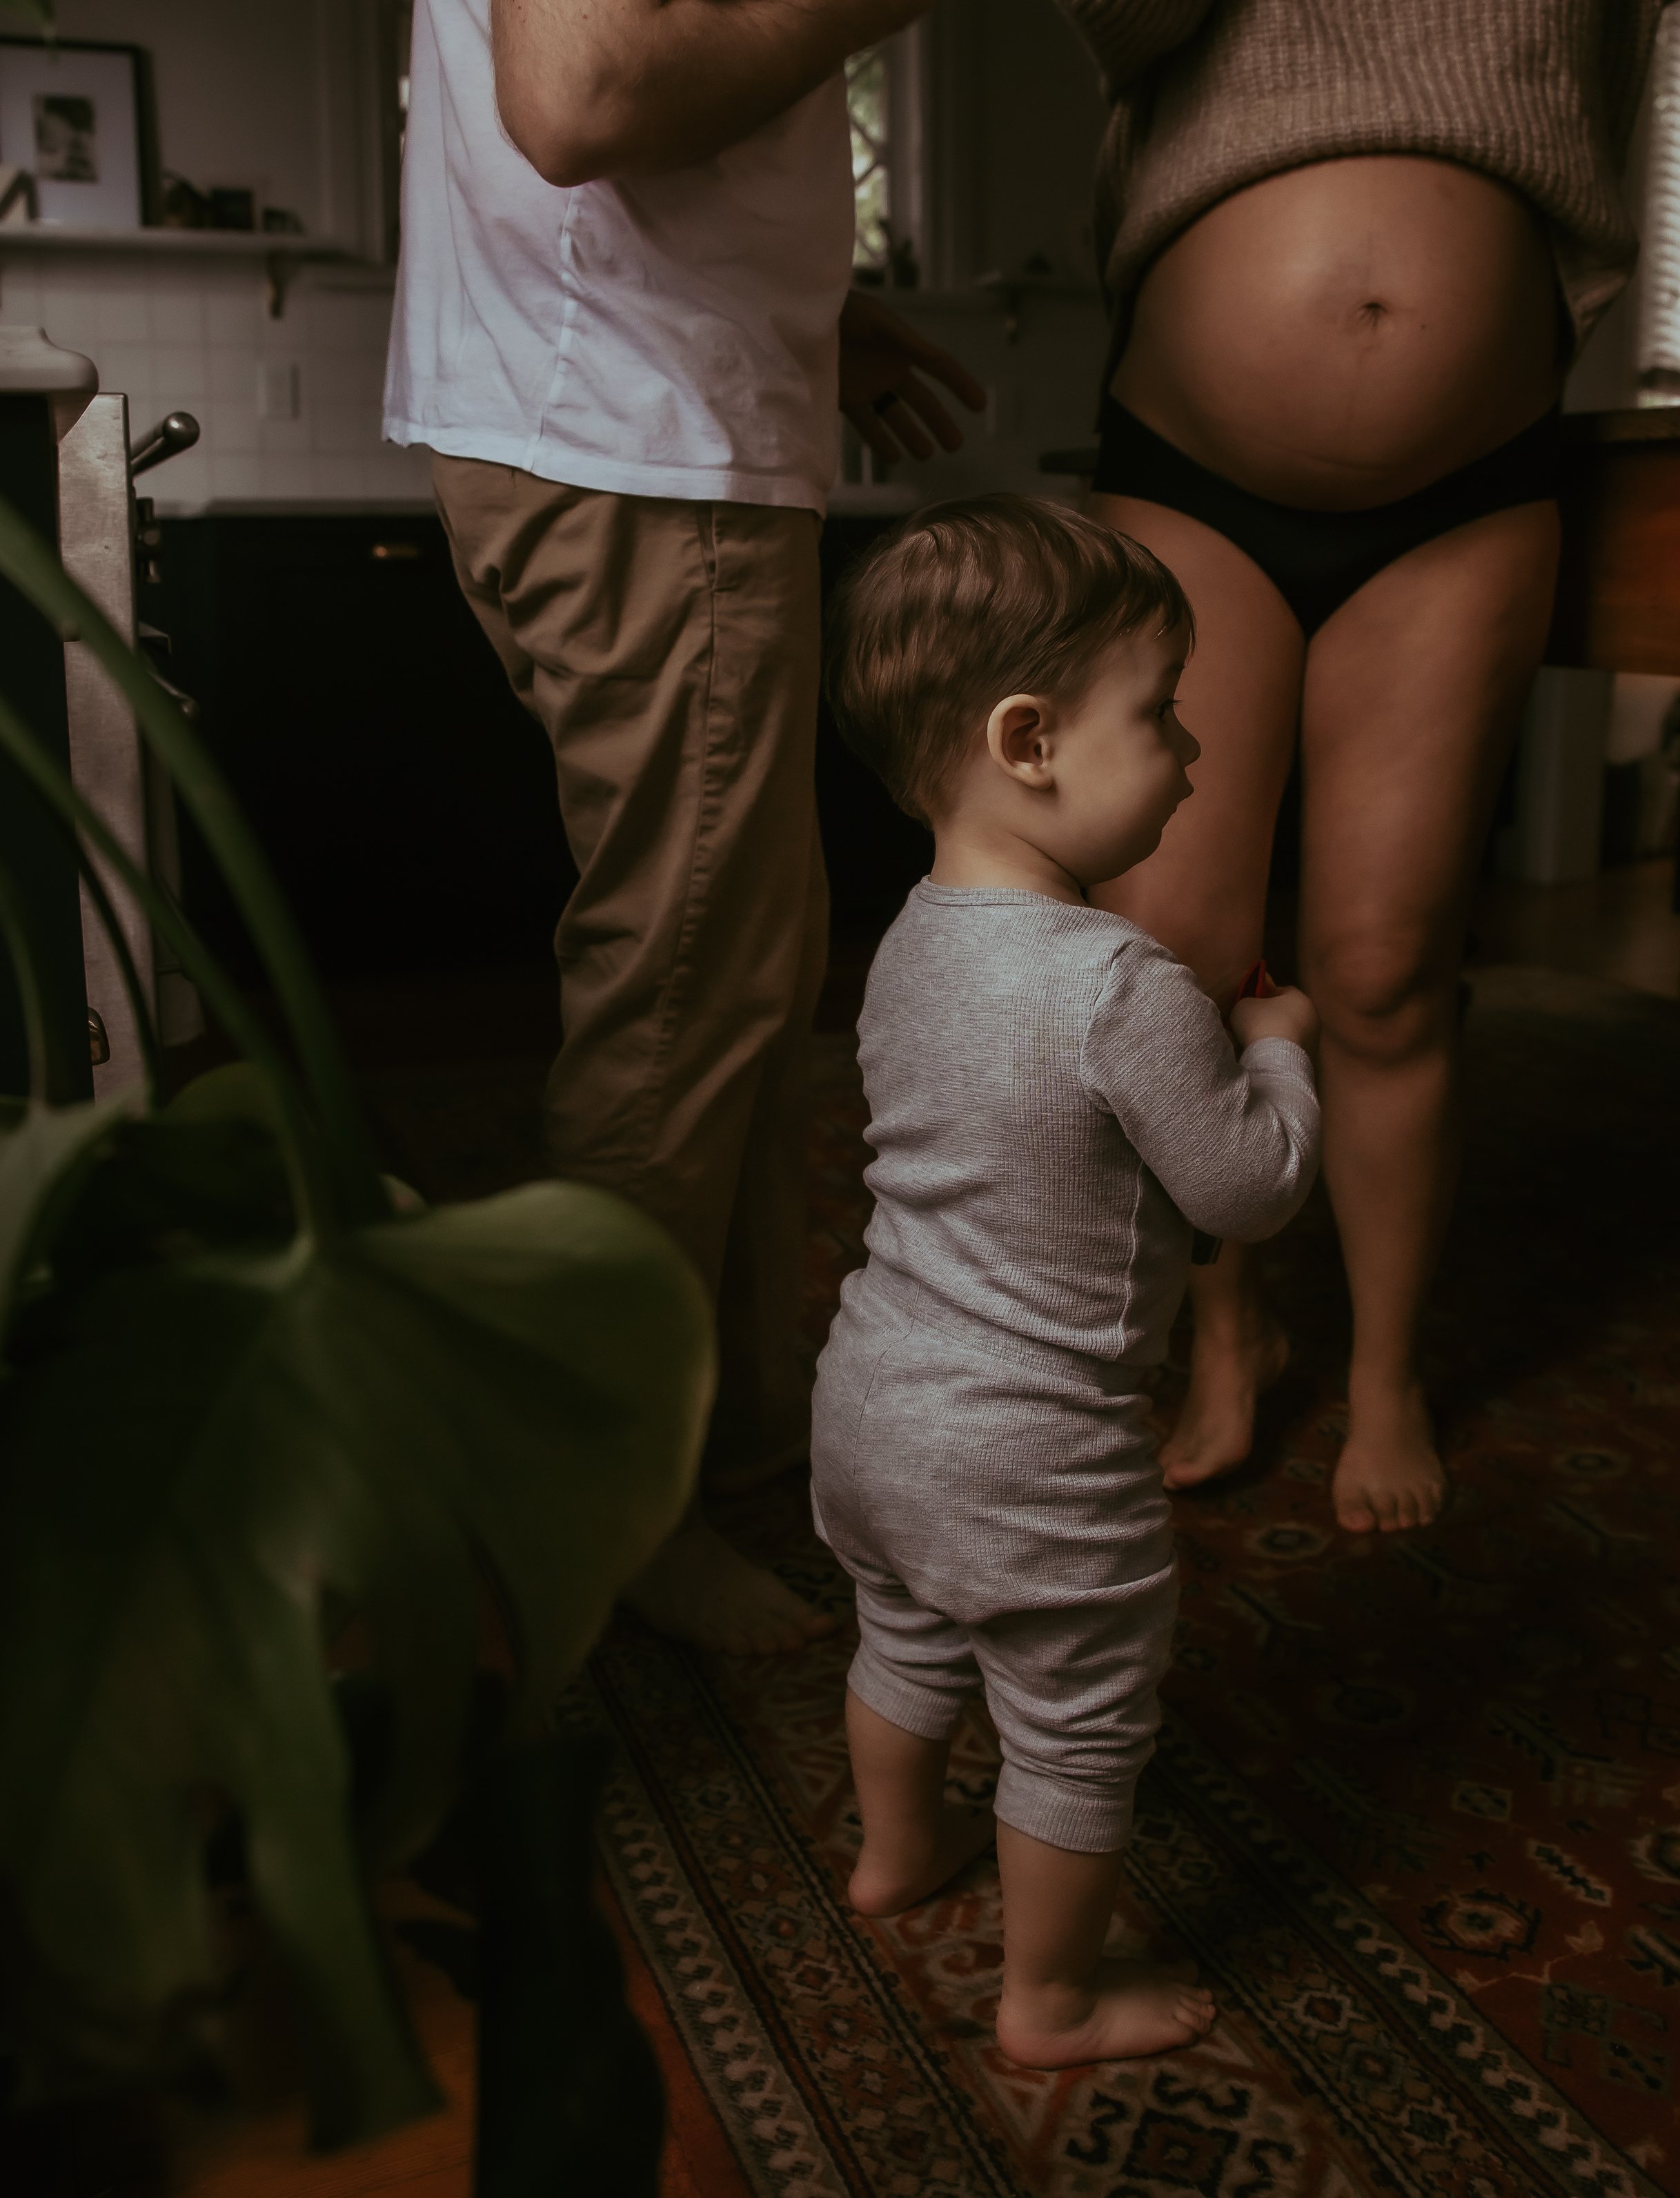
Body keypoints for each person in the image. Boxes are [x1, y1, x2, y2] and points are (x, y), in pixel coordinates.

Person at [384, 0, 985, 1653]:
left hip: (635, 417)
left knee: (740, 968)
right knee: (684, 985)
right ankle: (602, 1498)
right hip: (635, 439)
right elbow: (582, 93)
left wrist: (806, 302)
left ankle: (732, 1436)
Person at [1056, 1, 1666, 1531]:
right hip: (1190, 463)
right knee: (1172, 966)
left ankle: (1387, 1372)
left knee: (1386, 968)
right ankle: (1227, 1326)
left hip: (1467, 481)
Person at [812, 495, 1321, 2064]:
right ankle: (1049, 1999)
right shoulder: (1122, 985)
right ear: (1027, 741)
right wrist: (1276, 1053)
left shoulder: (907, 939)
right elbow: (1248, 1187)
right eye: (1159, 712)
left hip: (873, 1400)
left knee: (903, 1637)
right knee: (1079, 1719)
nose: (1191, 752)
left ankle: (895, 1855)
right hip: (1031, 1450)